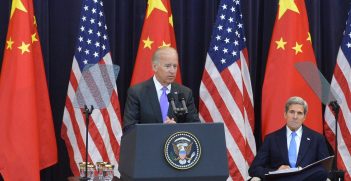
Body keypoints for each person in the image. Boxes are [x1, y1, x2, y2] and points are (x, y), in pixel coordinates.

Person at [249, 96, 330, 181]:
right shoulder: (271, 139)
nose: (295, 117)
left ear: (304, 117)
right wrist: (277, 171)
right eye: (292, 112)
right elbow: (254, 169)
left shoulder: (317, 139)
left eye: (299, 113)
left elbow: (325, 169)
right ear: (285, 114)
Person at [123, 47, 199, 132]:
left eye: (175, 66)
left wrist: (178, 128)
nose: (172, 71)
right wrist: (160, 131)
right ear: (155, 67)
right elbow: (129, 128)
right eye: (167, 66)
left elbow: (195, 126)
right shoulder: (137, 92)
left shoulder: (185, 93)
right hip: (148, 144)